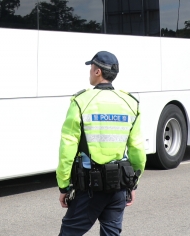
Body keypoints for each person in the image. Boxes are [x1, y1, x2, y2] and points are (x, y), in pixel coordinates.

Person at [55, 51, 145, 236]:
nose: (89, 71)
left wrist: (64, 186)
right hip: (118, 187)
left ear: (98, 72)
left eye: (91, 67)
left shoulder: (81, 102)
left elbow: (68, 147)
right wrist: (133, 184)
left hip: (90, 188)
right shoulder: (130, 103)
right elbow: (137, 149)